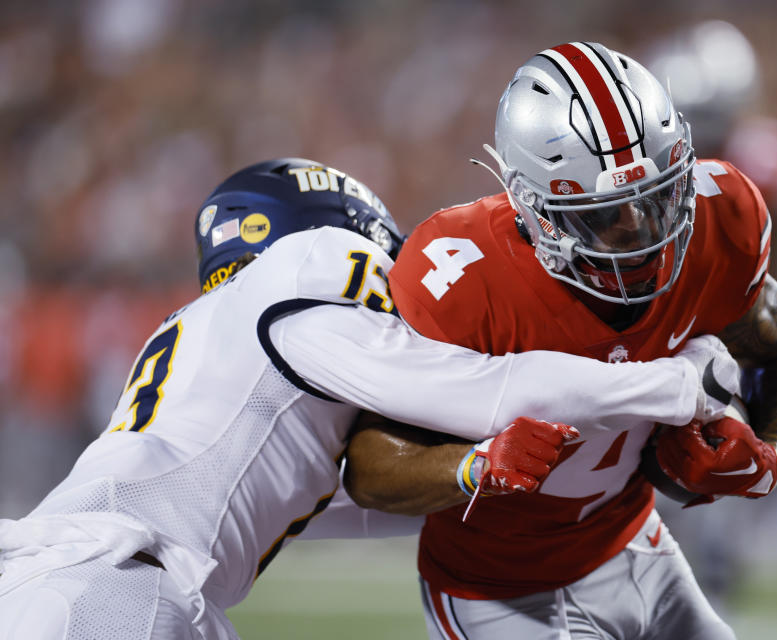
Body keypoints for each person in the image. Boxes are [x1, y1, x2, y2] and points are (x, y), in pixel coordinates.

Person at [0, 157, 739, 640]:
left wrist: (484, 477)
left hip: (56, 585)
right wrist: (676, 385)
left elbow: (328, 506)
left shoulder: (212, 346)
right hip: (115, 593)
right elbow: (473, 389)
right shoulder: (312, 261)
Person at [346, 42, 777, 639]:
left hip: (635, 547)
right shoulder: (464, 278)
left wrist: (766, 455)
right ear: (533, 207)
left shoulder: (717, 224)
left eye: (657, 198)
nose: (642, 232)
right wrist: (474, 465)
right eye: (602, 215)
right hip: (494, 587)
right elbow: (367, 466)